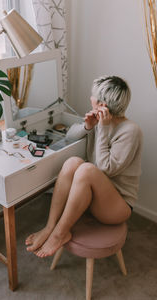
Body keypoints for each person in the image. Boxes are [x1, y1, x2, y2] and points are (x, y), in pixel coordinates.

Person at [25, 75, 143, 258]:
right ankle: (50, 227)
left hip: (118, 206)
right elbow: (69, 137)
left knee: (86, 169)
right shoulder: (98, 122)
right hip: (94, 198)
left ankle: (59, 234)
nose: (90, 98)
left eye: (93, 96)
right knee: (73, 163)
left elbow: (105, 169)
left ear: (102, 104)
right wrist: (87, 126)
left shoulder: (131, 131)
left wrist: (102, 129)